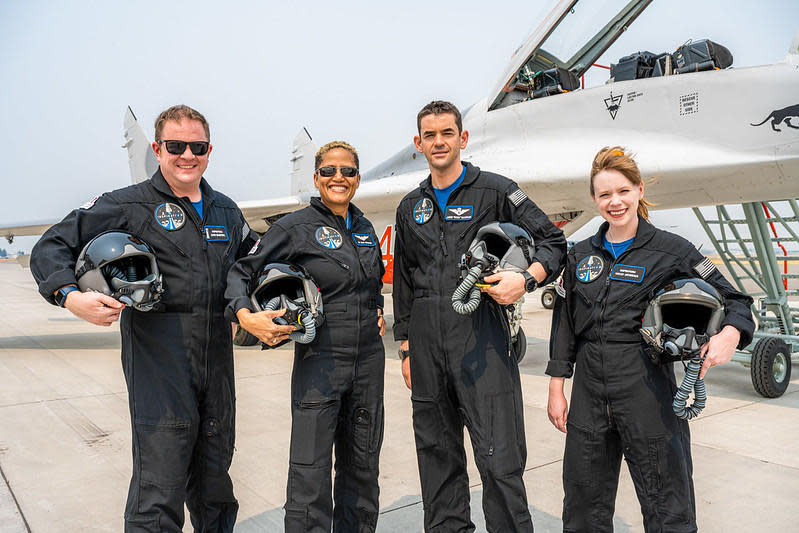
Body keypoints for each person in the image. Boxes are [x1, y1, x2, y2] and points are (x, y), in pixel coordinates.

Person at [30, 105, 258, 532]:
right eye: (175, 146)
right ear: (157, 149)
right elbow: (52, 244)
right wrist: (69, 296)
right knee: (161, 483)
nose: (187, 155)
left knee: (215, 483)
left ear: (210, 150)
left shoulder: (227, 211)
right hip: (160, 355)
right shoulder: (127, 204)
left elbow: (253, 262)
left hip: (217, 358)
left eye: (198, 146)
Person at [546, 146, 755, 532]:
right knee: (582, 505)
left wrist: (731, 332)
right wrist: (557, 386)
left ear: (639, 190)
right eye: (605, 194)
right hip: (589, 390)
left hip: (647, 388)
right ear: (594, 200)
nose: (615, 201)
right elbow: (564, 323)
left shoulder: (672, 250)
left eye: (623, 191)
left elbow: (737, 300)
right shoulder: (578, 256)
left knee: (667, 504)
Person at [393, 100, 567, 531]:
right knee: (437, 457)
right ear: (418, 143)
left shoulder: (495, 190)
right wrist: (407, 348)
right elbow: (404, 281)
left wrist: (526, 280)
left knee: (499, 458)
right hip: (427, 347)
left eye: (447, 133)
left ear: (462, 138)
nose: (439, 142)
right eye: (430, 135)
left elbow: (553, 243)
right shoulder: (410, 206)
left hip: (482, 342)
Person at [225, 141, 386, 532]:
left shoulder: (364, 228)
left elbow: (369, 284)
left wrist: (377, 307)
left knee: (362, 468)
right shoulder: (294, 227)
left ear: (357, 179)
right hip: (321, 361)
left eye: (347, 171)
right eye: (329, 171)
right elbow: (241, 272)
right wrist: (247, 316)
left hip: (367, 362)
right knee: (310, 471)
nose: (338, 178)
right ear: (316, 178)